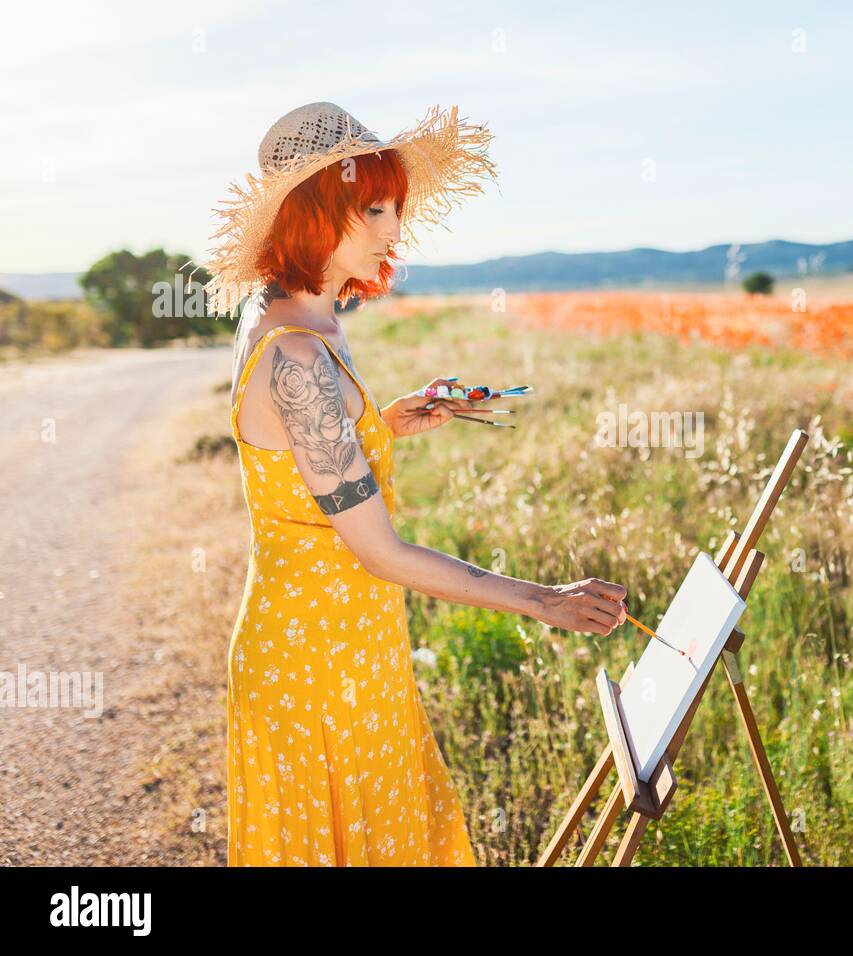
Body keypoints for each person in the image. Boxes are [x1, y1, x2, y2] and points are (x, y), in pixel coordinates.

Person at [208, 102, 626, 866]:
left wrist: (386, 422)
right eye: (373, 207)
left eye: (395, 205)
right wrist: (543, 600)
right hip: (316, 668)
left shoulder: (295, 315)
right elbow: (382, 553)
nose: (394, 227)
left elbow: (299, 454)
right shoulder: (297, 355)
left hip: (351, 645)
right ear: (314, 213)